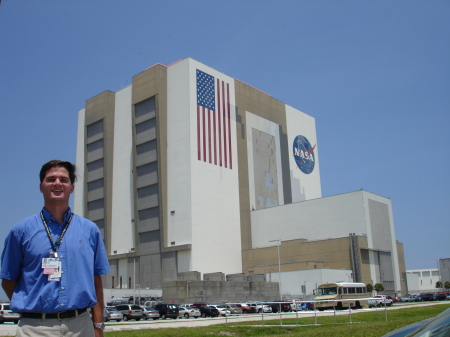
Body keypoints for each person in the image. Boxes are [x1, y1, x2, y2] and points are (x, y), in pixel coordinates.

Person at [1, 160, 110, 337]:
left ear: (71, 188)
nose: (57, 183)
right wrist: (34, 301)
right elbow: (8, 279)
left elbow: (96, 280)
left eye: (64, 180)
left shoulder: (90, 230)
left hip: (80, 326)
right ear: (41, 187)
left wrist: (98, 325)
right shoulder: (21, 231)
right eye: (51, 179)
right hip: (35, 328)